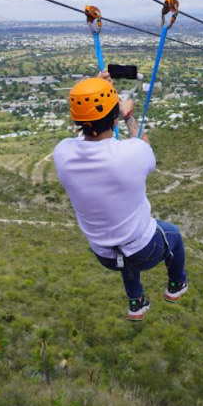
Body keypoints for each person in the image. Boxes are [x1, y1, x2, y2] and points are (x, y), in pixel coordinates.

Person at [53, 72, 188, 321]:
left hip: (104, 255)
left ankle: (136, 301)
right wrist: (127, 115)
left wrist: (97, 93)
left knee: (123, 252)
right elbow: (142, 143)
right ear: (114, 116)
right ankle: (177, 285)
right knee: (174, 235)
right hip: (144, 249)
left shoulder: (62, 154)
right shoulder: (132, 152)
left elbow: (82, 135)